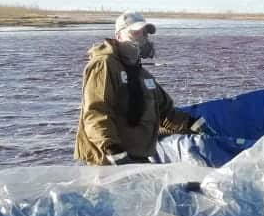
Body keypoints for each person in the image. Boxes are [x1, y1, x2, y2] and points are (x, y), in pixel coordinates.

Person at [74, 11, 214, 166]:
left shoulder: (143, 75)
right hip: (107, 160)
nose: (142, 38)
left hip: (138, 157)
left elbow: (166, 113)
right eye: (135, 33)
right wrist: (113, 150)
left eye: (146, 33)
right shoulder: (105, 65)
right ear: (118, 36)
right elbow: (96, 113)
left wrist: (194, 124)